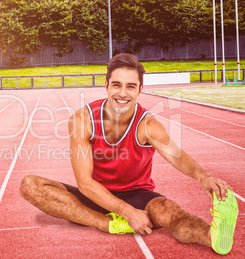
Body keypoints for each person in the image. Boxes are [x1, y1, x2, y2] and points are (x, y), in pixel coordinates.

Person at [19, 53, 239, 255]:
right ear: (106, 85)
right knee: (29, 185)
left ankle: (212, 236)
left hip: (137, 195)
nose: (123, 93)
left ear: (140, 89)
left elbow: (176, 155)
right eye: (116, 85)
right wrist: (124, 212)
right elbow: (84, 183)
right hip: (95, 195)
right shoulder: (82, 120)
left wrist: (203, 176)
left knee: (170, 211)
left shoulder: (148, 125)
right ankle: (109, 224)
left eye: (130, 86)